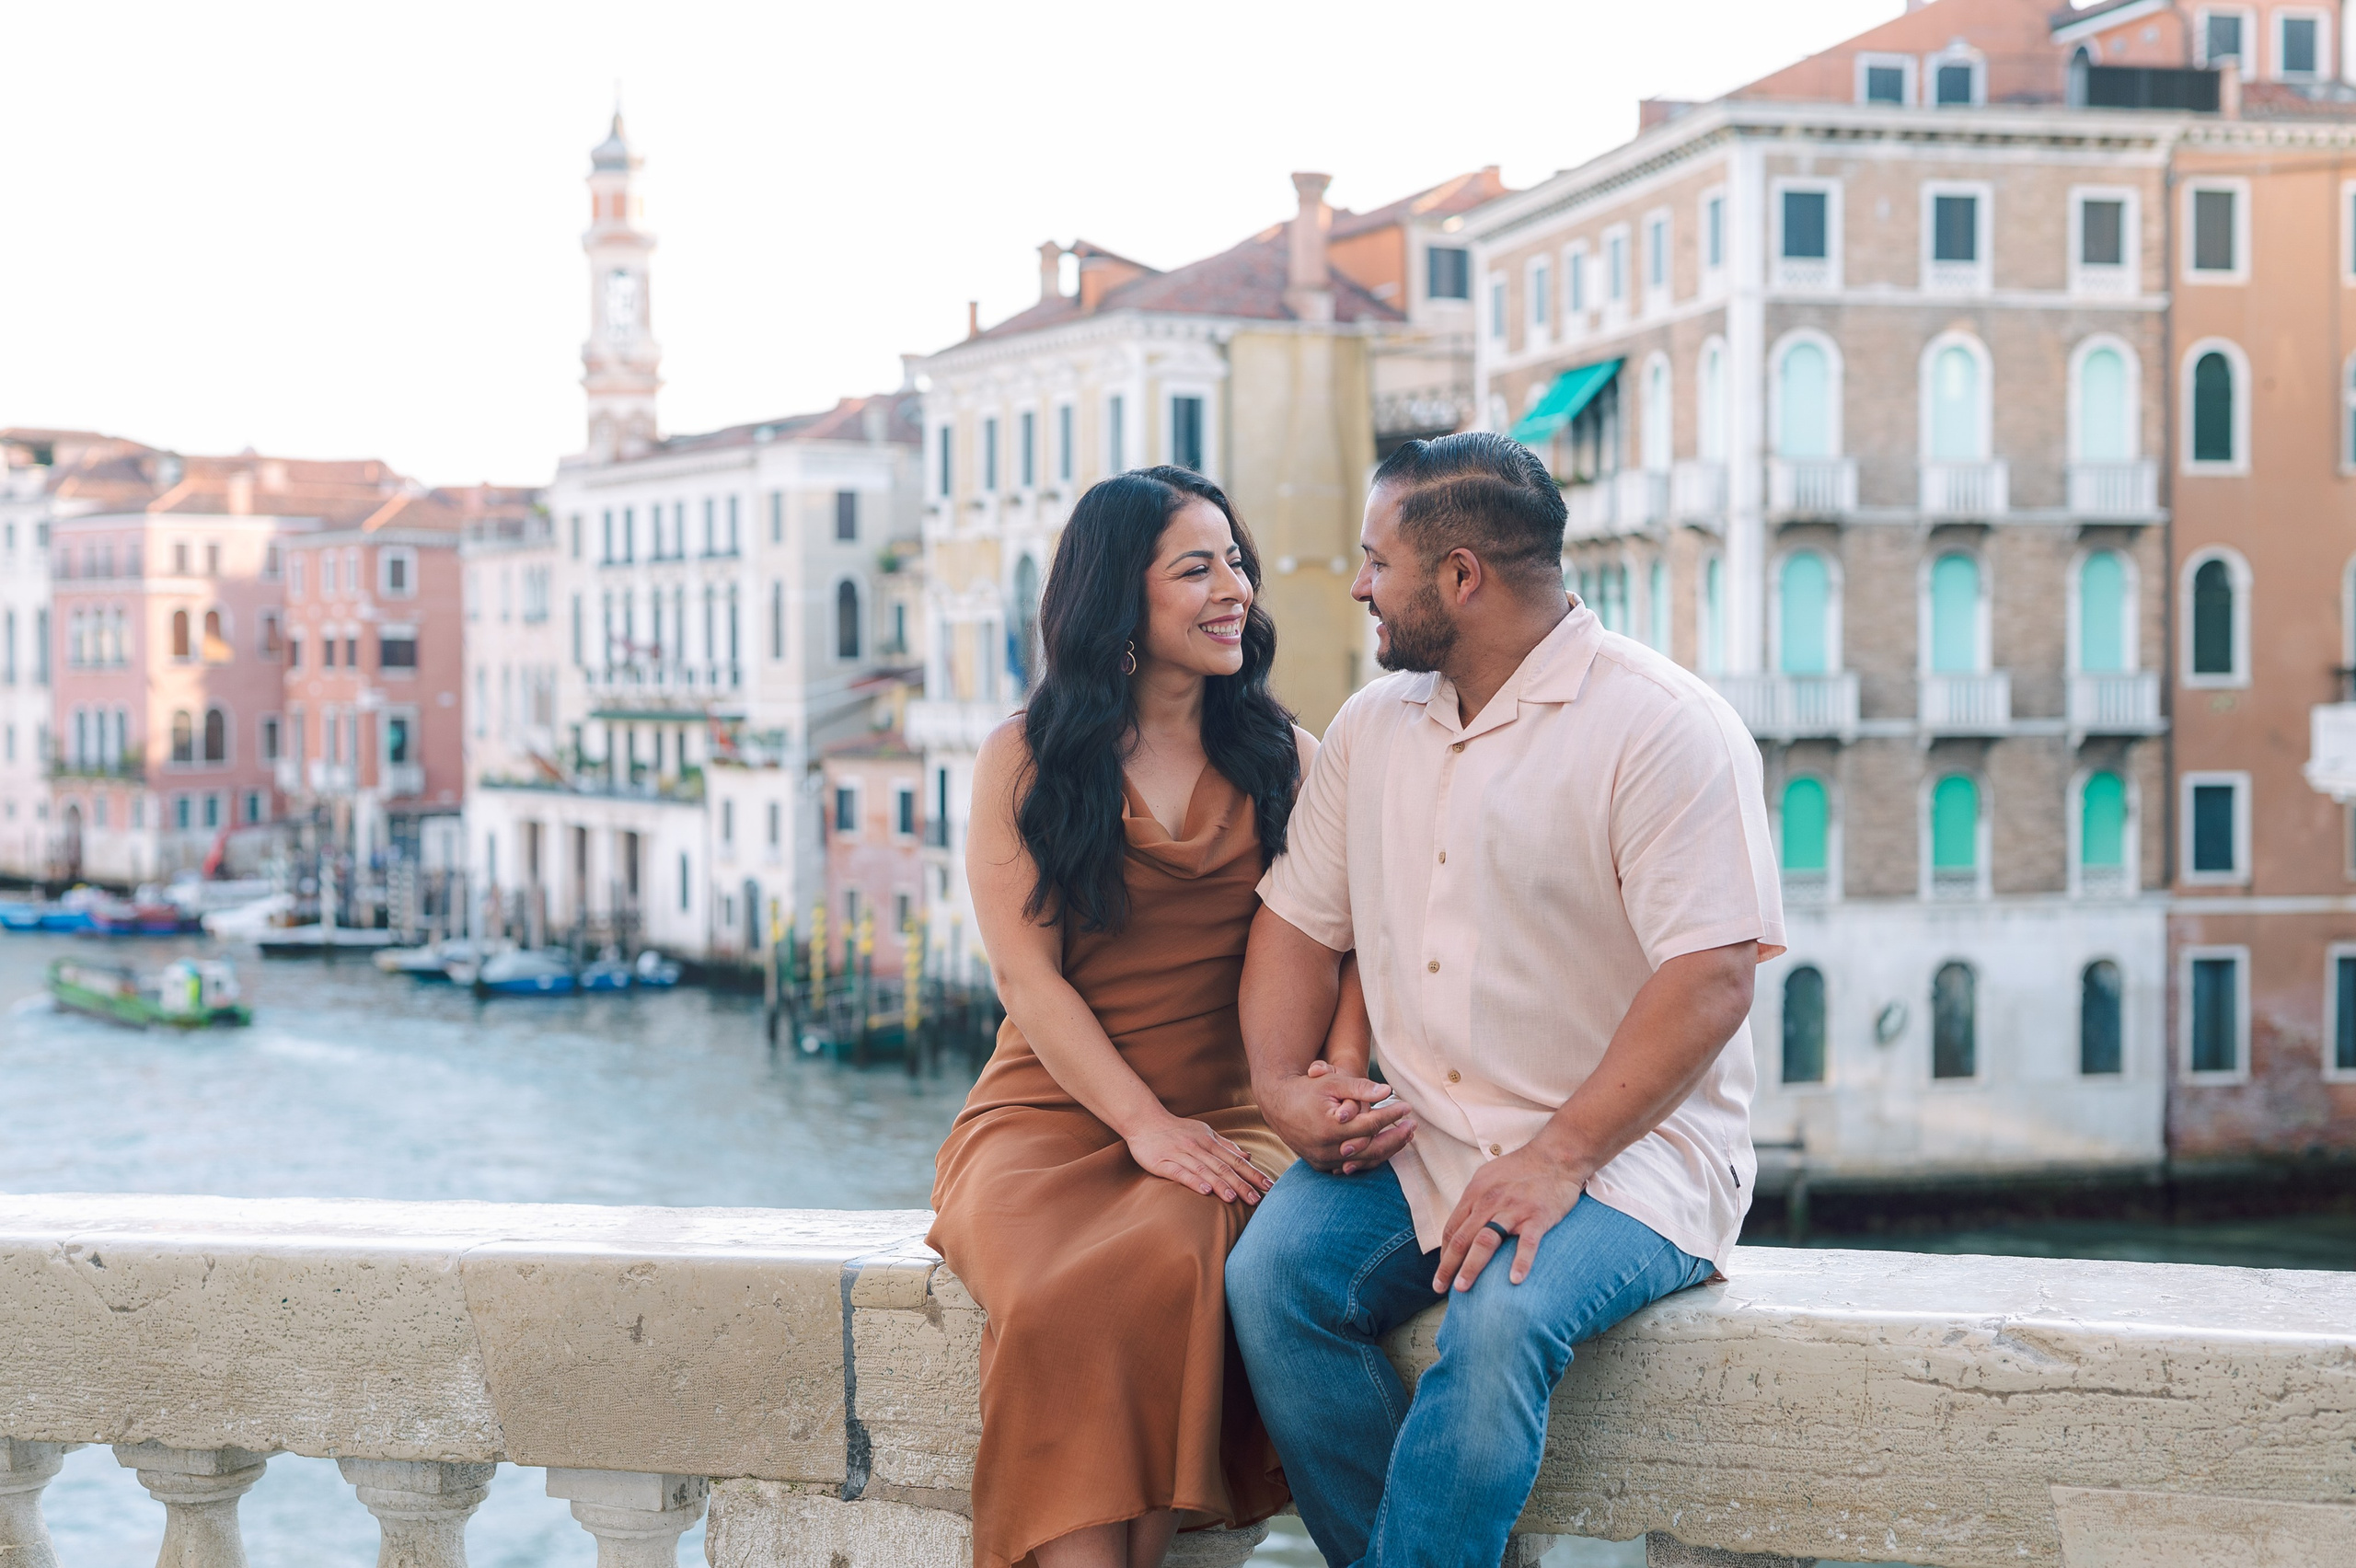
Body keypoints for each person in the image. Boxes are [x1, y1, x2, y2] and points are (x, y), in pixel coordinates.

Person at [1225, 432, 1784, 1568]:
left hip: (1631, 1158)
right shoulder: (1373, 730)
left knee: (1497, 1327)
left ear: (1462, 576)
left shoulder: (1664, 725)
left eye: (1377, 561)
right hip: (1422, 1136)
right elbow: (1295, 920)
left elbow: (1712, 975)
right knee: (1272, 1281)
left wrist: (1558, 1156)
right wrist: (1284, 1087)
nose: (1360, 585)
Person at [930, 465, 1349, 1568]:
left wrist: (1318, 1092)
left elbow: (1349, 953)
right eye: (1197, 567)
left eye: (1238, 563)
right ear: (1122, 596)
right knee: (1057, 1297)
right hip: (1048, 1113)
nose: (1235, 589)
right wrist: (1143, 1129)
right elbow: (1029, 980)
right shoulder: (1022, 758)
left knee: (1174, 1249)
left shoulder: (1287, 760)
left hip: (1226, 1108)